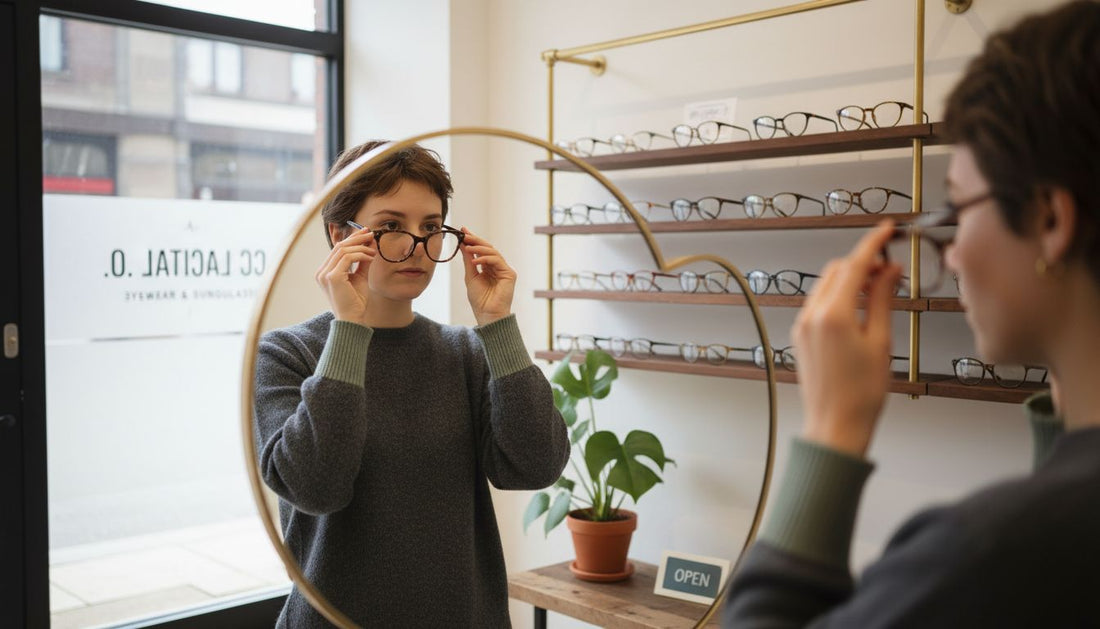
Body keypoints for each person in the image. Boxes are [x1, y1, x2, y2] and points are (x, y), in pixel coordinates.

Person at [723, 2, 1100, 626]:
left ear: (1050, 220)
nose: (948, 254)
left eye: (955, 211)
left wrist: (832, 431)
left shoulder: (987, 558)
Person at [253, 141, 570, 627]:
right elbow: (315, 487)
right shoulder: (287, 354)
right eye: (390, 227)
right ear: (340, 234)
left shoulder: (466, 352)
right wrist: (350, 330)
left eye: (430, 227)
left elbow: (533, 466)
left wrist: (498, 324)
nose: (416, 247)